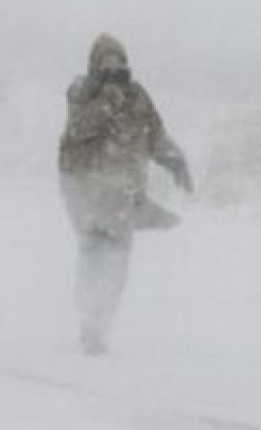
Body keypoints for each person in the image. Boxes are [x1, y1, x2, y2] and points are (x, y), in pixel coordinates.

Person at [58, 33, 193, 355]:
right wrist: (106, 102)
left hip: (123, 196)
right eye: (105, 62)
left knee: (117, 263)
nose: (113, 68)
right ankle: (89, 322)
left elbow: (155, 134)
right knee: (93, 257)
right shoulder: (82, 92)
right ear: (93, 64)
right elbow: (77, 131)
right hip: (86, 192)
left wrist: (175, 161)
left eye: (118, 61)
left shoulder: (137, 96)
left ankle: (101, 322)